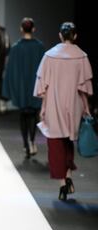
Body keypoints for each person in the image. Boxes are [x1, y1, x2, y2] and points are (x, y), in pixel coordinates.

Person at [33, 22, 93, 201]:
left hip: (54, 104)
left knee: (56, 144)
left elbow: (42, 86)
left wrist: (43, 108)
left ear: (60, 35)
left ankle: (62, 184)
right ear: (74, 36)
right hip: (74, 105)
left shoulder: (49, 56)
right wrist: (86, 109)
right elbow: (85, 89)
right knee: (69, 142)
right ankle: (69, 176)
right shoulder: (82, 56)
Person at [2, 18, 45, 158]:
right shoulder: (40, 47)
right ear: (33, 29)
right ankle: (32, 142)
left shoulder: (15, 48)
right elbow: (44, 70)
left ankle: (26, 144)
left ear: (21, 29)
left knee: (23, 115)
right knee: (33, 114)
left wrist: (9, 90)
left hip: (21, 87)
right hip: (34, 86)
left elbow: (10, 71)